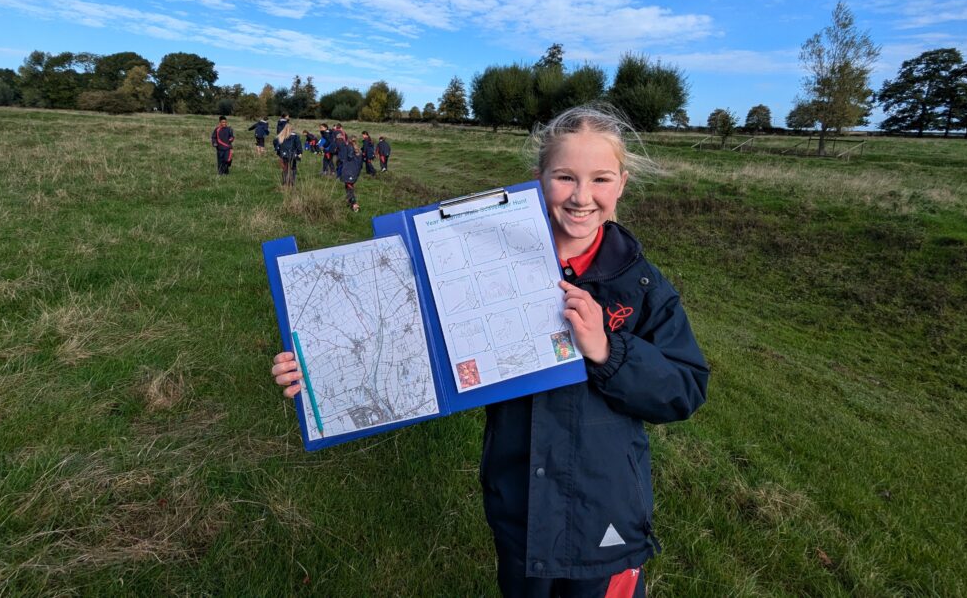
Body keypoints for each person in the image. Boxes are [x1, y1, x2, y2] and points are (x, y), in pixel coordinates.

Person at [270, 105, 709, 598]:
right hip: (519, 507)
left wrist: (608, 350)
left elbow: (686, 388)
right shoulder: (485, 264)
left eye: (600, 178)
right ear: (539, 179)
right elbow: (403, 335)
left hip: (607, 518)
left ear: (621, 184)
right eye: (565, 176)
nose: (582, 196)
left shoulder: (642, 285)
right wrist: (320, 371)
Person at [276, 121, 303, 187]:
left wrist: (279, 154)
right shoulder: (295, 136)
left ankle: (285, 183)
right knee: (293, 168)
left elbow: (277, 146)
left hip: (283, 155)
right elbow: (299, 146)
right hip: (292, 155)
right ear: (292, 129)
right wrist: (300, 153)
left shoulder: (281, 136)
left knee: (285, 169)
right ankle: (292, 183)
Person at [339, 137, 363, 211]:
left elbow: (344, 158)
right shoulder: (359, 152)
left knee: (349, 188)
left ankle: (354, 204)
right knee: (348, 187)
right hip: (354, 173)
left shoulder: (349, 149)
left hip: (349, 172)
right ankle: (350, 201)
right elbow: (360, 166)